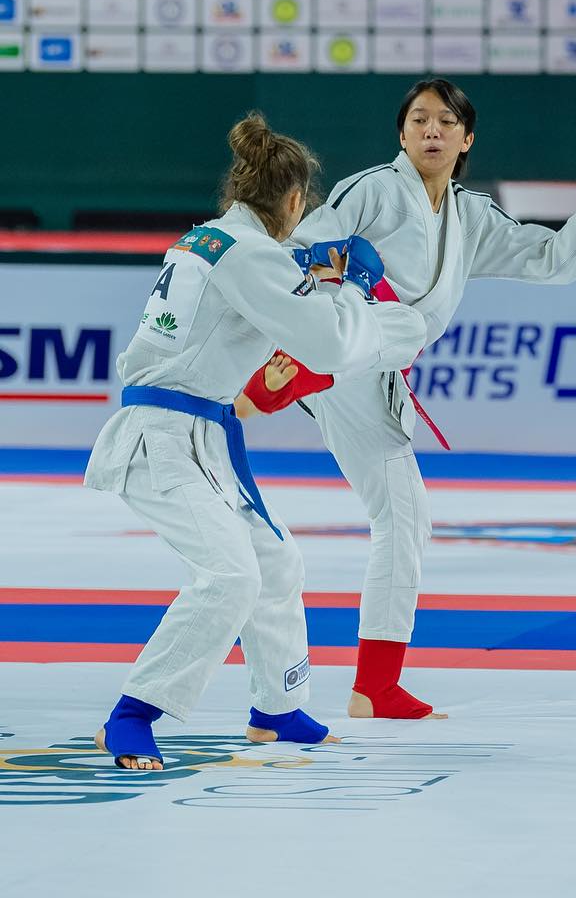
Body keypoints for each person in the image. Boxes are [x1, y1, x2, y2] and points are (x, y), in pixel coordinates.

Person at [239, 77, 576, 719]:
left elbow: (550, 261)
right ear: (401, 134)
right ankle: (301, 366)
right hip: (341, 335)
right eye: (419, 120)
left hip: (376, 369)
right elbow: (301, 247)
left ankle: (375, 685)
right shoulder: (372, 189)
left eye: (446, 122)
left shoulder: (470, 215)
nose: (432, 130)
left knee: (405, 519)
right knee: (395, 328)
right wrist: (332, 297)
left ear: (466, 138)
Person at [84, 114, 428, 771]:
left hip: (198, 431)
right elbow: (327, 347)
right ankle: (132, 715)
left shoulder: (213, 240)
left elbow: (253, 297)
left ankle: (276, 709)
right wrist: (347, 287)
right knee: (230, 576)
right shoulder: (249, 255)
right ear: (295, 201)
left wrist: (309, 273)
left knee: (276, 564)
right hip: (164, 437)